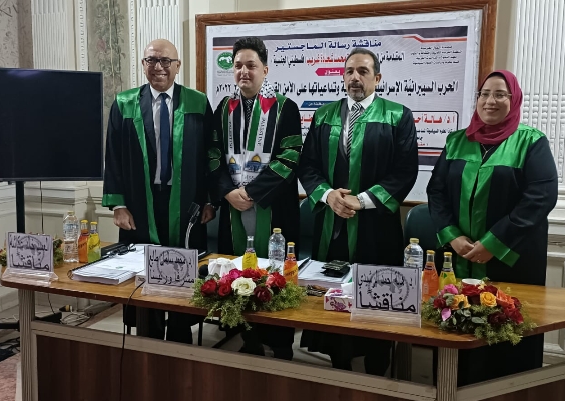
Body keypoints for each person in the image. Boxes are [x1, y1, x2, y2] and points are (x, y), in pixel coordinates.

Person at [427, 70, 558, 385]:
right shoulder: (457, 141)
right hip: (458, 259)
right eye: (484, 94)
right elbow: (436, 192)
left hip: (510, 262)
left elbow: (540, 197)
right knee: (455, 335)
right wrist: (452, 236)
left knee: (506, 339)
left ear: (514, 100)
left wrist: (494, 242)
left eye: (500, 94)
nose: (490, 101)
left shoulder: (531, 142)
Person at [298, 48, 418, 374]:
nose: (355, 77)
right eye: (349, 71)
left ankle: (378, 371)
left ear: (377, 77)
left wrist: (361, 200)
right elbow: (307, 165)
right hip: (332, 226)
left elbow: (405, 171)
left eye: (363, 71)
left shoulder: (397, 116)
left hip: (376, 228)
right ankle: (340, 368)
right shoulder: (324, 115)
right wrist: (328, 196)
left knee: (377, 301)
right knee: (334, 299)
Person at [102, 39, 215, 344]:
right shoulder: (125, 103)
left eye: (166, 61)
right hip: (140, 202)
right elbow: (113, 155)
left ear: (178, 66)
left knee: (183, 268)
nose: (158, 67)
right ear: (143, 65)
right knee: (142, 268)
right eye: (151, 60)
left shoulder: (197, 102)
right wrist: (118, 205)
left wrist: (209, 200)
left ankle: (180, 337)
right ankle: (146, 339)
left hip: (187, 202)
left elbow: (210, 155)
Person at [208, 37, 302, 360]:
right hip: (233, 206)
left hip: (274, 208)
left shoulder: (285, 108)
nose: (243, 71)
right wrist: (228, 192)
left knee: (275, 272)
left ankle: (281, 345)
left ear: (265, 69)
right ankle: (247, 338)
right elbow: (213, 155)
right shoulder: (224, 109)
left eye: (251, 65)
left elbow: (290, 156)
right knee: (236, 271)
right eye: (238, 66)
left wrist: (252, 192)